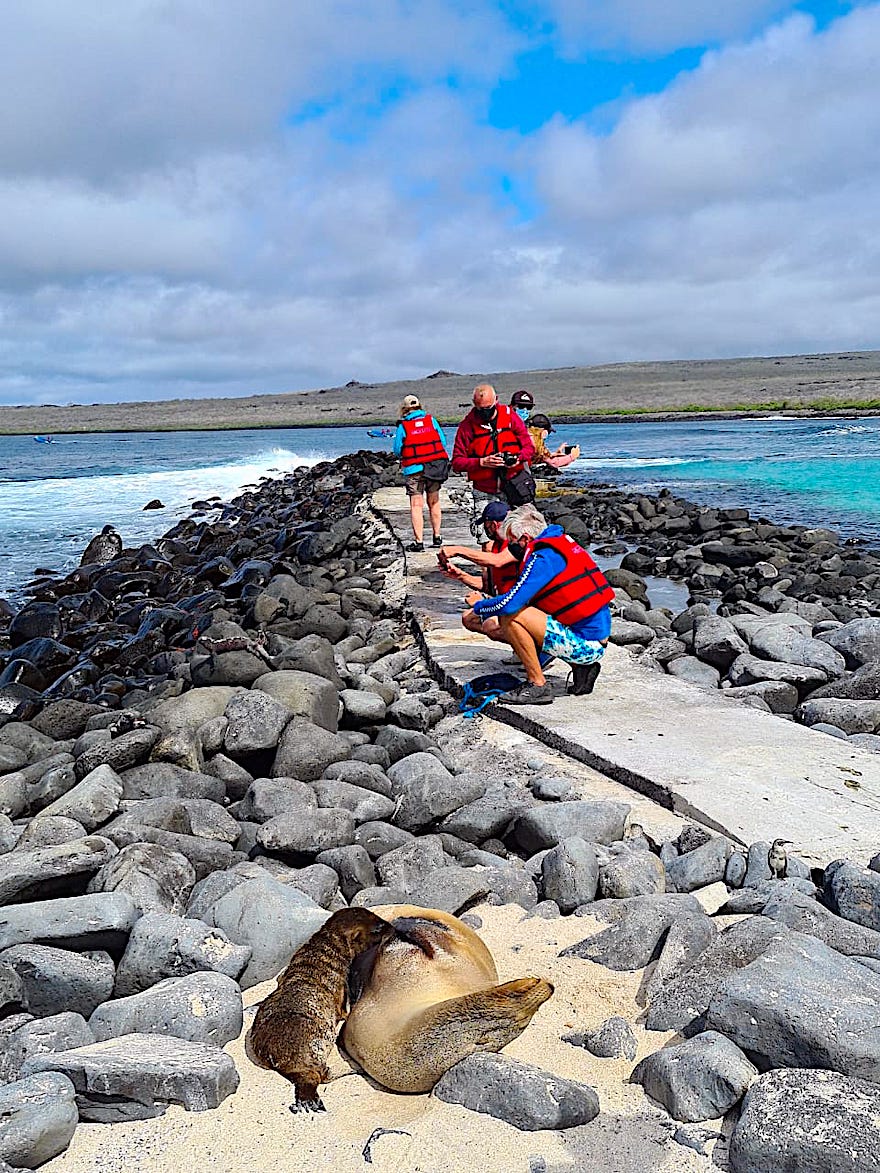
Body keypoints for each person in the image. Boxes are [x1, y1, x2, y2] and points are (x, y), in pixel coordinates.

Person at [467, 503, 615, 705]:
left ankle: (537, 685)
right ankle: (582, 670)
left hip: (588, 646)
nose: (510, 547)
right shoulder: (559, 543)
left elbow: (511, 604)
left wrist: (479, 606)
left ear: (525, 539)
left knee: (511, 616)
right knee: (521, 611)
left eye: (512, 541)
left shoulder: (543, 557)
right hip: (593, 639)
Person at [451, 384, 535, 537]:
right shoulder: (467, 426)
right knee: (485, 537)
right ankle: (488, 558)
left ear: (496, 400)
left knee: (520, 534)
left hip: (514, 486)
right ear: (474, 404)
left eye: (488, 407)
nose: (485, 413)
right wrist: (481, 462)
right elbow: (457, 462)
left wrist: (517, 458)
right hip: (485, 489)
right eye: (480, 409)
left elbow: (529, 449)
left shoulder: (511, 417)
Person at [439, 501, 520, 644]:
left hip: (520, 603)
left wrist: (458, 550)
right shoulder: (495, 546)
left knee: (490, 624)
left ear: (494, 525)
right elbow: (489, 586)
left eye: (486, 526)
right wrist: (460, 575)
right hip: (505, 601)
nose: (486, 531)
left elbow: (497, 561)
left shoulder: (516, 544)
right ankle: (520, 645)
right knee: (469, 618)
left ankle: (535, 647)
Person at [393, 394, 449, 552]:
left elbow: (397, 450)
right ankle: (437, 536)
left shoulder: (403, 426)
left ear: (404, 409)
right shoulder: (431, 420)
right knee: (434, 502)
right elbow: (442, 442)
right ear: (419, 407)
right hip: (434, 467)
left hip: (414, 469)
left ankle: (419, 542)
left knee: (416, 505)